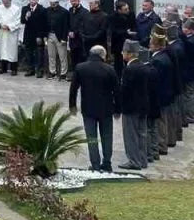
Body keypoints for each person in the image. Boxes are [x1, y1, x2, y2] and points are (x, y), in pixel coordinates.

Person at [69, 44, 119, 173]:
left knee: (92, 138)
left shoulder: (81, 68)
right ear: (103, 55)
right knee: (107, 136)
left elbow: (73, 88)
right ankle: (107, 162)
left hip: (88, 109)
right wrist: (118, 109)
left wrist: (72, 105)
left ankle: (95, 164)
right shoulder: (109, 69)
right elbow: (117, 91)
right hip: (106, 109)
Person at [118, 40, 151, 170]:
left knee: (131, 135)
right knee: (142, 134)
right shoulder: (143, 67)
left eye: (124, 51)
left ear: (130, 54)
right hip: (143, 106)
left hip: (131, 107)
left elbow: (125, 90)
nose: (122, 53)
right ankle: (142, 160)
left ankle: (133, 161)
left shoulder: (130, 69)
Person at [148, 25, 175, 158]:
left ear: (157, 46)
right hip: (166, 93)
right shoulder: (164, 56)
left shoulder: (158, 60)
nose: (149, 46)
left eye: (151, 44)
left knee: (160, 121)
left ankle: (161, 145)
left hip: (161, 94)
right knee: (163, 120)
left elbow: (156, 80)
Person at [0, 0, 22, 75]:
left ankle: (13, 69)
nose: (5, 3)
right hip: (2, 32)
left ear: (10, 1)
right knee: (3, 50)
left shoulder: (16, 9)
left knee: (12, 51)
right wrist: (0, 24)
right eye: (4, 2)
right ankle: (3, 68)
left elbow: (18, 21)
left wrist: (9, 26)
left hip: (11, 33)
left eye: (7, 2)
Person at [21, 0, 47, 77]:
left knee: (39, 53)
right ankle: (30, 69)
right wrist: (26, 17)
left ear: (37, 0)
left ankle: (39, 70)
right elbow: (22, 21)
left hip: (37, 35)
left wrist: (40, 36)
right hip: (28, 35)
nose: (32, 1)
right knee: (29, 53)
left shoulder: (42, 9)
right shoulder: (25, 8)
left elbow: (43, 24)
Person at [45, 0, 71, 80]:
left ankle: (63, 73)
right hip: (50, 34)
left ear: (58, 2)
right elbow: (45, 23)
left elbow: (66, 26)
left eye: (54, 3)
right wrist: (45, 36)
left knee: (62, 56)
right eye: (51, 3)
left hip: (60, 36)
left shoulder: (64, 11)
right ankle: (52, 72)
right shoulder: (47, 10)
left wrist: (64, 38)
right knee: (51, 55)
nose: (53, 4)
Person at [110, 1, 134, 77]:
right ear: (119, 10)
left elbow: (133, 25)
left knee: (129, 62)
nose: (128, 10)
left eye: (128, 8)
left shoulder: (131, 14)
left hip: (129, 42)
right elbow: (113, 31)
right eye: (125, 9)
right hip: (118, 44)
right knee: (118, 64)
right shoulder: (113, 17)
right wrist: (126, 32)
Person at [67, 0, 88, 65]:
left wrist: (75, 33)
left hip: (80, 39)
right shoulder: (70, 10)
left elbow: (83, 25)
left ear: (79, 1)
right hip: (72, 39)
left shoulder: (84, 12)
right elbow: (68, 23)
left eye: (75, 1)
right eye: (72, 1)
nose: (74, 2)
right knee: (73, 56)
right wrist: (69, 31)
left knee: (81, 57)